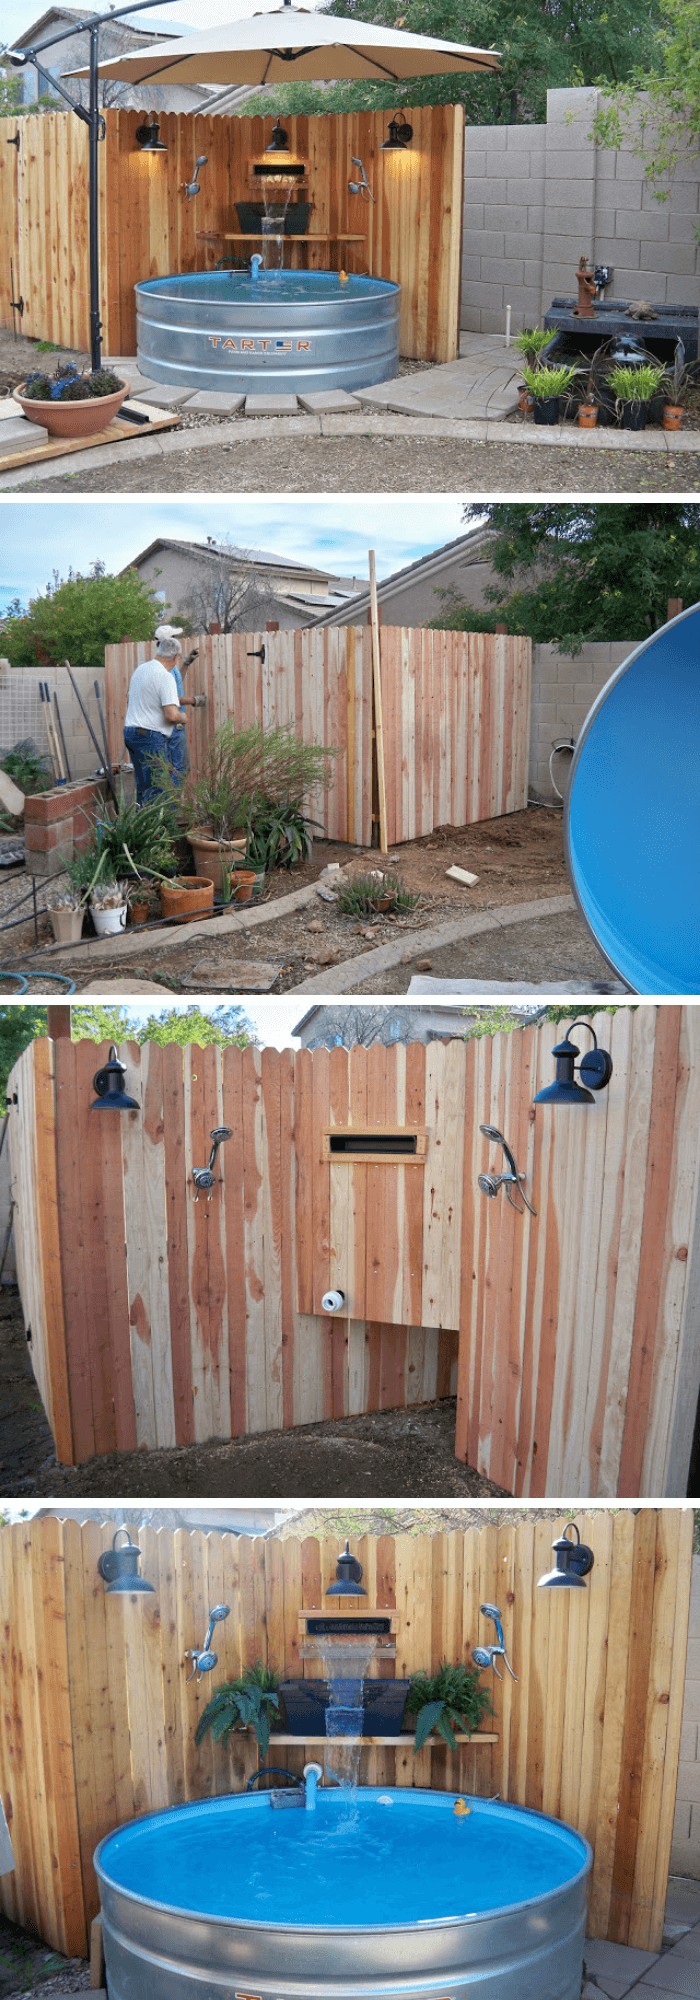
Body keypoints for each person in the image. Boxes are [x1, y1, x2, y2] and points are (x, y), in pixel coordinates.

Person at [123, 630, 188, 803]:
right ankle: (162, 827)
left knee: (143, 786)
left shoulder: (141, 669)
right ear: (176, 658)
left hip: (131, 732)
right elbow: (171, 715)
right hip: (150, 736)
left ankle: (142, 827)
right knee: (160, 787)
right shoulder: (165, 677)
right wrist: (183, 717)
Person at [154, 624, 199, 780]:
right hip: (173, 725)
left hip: (173, 726)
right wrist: (194, 700)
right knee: (180, 768)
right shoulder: (163, 669)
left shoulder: (169, 666)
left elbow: (175, 685)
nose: (177, 641)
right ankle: (171, 804)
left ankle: (169, 802)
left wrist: (185, 664)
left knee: (177, 768)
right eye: (174, 638)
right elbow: (169, 699)